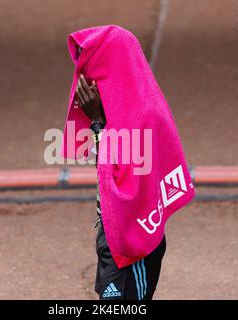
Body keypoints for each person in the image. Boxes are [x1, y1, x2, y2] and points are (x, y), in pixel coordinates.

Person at [74, 44, 167, 300]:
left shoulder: (142, 114)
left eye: (93, 75)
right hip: (115, 233)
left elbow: (123, 180)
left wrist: (97, 123)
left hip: (132, 241)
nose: (86, 87)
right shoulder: (121, 109)